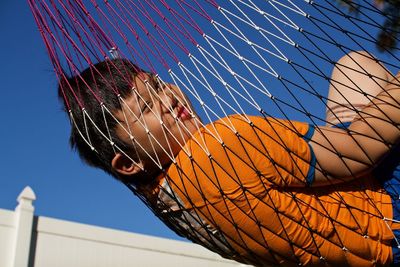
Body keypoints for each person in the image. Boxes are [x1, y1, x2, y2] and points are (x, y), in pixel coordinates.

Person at [59, 51, 400, 266]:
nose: (167, 97)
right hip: (384, 213)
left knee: (354, 69)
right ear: (128, 163)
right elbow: (360, 147)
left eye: (159, 85)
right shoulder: (220, 146)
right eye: (147, 107)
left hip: (349, 238)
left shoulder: (167, 203)